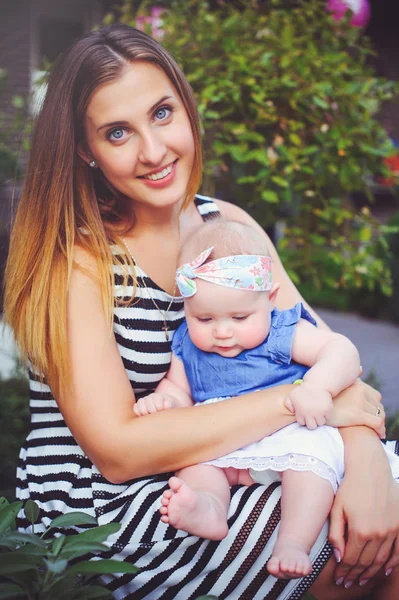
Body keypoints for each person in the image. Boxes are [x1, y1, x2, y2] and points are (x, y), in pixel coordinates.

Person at [3, 22, 399, 600]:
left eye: (162, 113)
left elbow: (335, 368)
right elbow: (117, 452)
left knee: (380, 507)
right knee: (353, 541)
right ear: (86, 150)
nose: (154, 150)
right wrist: (303, 402)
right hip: (111, 511)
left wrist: (363, 461)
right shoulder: (78, 258)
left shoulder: (228, 227)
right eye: (118, 132)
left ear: (187, 111)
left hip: (231, 466)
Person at [133, 219, 399, 580]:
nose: (222, 331)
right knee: (196, 466)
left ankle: (293, 541)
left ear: (269, 299)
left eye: (239, 317)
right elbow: (178, 390)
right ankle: (208, 509)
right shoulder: (185, 342)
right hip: (223, 438)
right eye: (204, 317)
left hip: (289, 432)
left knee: (309, 462)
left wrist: (317, 387)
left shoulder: (280, 332)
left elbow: (342, 350)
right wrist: (163, 402)